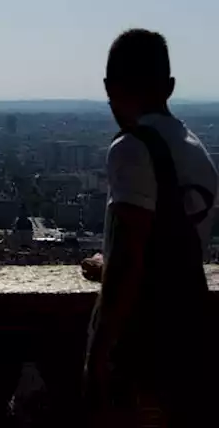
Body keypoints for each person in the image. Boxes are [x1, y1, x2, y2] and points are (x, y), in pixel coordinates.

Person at [83, 29, 216, 426]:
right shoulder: (197, 151)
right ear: (170, 87)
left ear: (109, 87)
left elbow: (129, 261)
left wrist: (97, 355)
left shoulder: (131, 149)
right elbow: (167, 255)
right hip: (189, 340)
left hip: (144, 351)